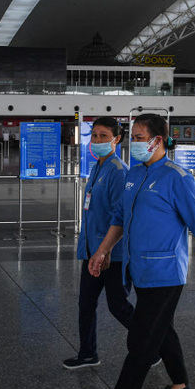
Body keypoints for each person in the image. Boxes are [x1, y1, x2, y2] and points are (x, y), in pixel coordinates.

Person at [89, 114, 195, 389]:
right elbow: (118, 218)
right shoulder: (134, 175)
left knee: (142, 338)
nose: (135, 143)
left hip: (166, 272)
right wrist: (102, 251)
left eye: (141, 137)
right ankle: (180, 384)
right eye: (134, 137)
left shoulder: (176, 177)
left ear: (159, 139)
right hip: (139, 269)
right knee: (161, 328)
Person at [63, 117, 133, 370]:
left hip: (112, 254)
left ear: (117, 138)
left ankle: (152, 345)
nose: (97, 140)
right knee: (86, 304)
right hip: (91, 250)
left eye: (104, 136)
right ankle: (87, 353)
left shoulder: (118, 170)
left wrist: (105, 251)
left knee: (118, 306)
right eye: (94, 135)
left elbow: (121, 217)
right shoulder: (97, 167)